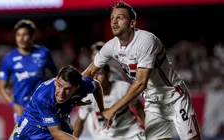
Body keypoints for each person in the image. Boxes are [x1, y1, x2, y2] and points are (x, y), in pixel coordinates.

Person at [82, 2, 201, 140]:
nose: (114, 21)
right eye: (112, 18)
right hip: (153, 102)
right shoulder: (111, 46)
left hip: (174, 97)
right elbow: (89, 72)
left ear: (132, 23)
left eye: (120, 17)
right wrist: (68, 92)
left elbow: (140, 83)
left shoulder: (146, 40)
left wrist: (113, 109)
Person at [10, 65, 104, 140]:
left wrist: (102, 110)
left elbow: (97, 87)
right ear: (56, 80)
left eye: (67, 89)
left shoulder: (84, 85)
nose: (61, 93)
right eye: (59, 85)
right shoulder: (44, 97)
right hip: (33, 129)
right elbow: (56, 133)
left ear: (76, 88)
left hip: (60, 123)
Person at [0, 19, 58, 123]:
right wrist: (14, 105)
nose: (21, 38)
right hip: (22, 110)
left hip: (42, 107)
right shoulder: (9, 58)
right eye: (18, 35)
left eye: (24, 34)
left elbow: (57, 76)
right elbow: (2, 87)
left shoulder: (43, 53)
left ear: (32, 36)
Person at [74, 65, 145, 140]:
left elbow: (138, 107)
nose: (96, 78)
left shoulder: (123, 88)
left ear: (108, 74)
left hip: (131, 131)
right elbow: (80, 121)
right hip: (106, 136)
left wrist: (148, 127)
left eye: (99, 73)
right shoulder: (88, 97)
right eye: (93, 75)